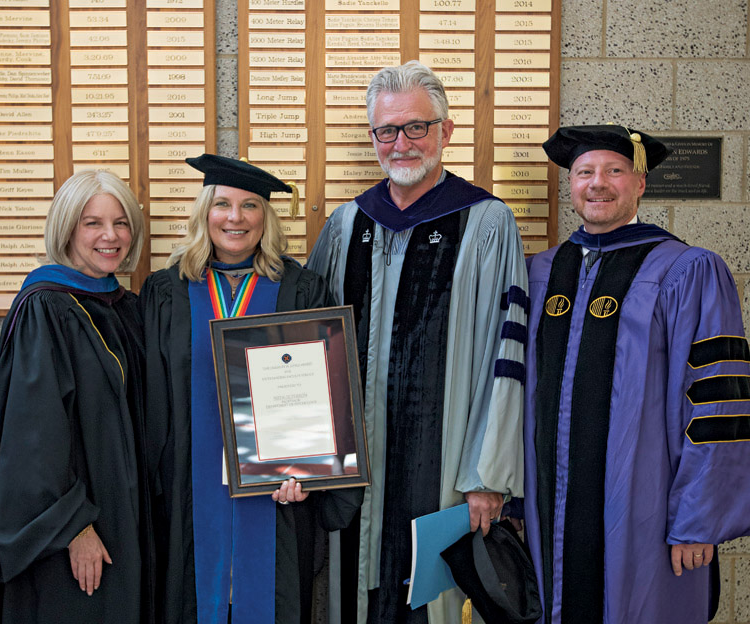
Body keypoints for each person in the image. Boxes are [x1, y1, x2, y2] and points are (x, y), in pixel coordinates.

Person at [308, 61, 529, 624]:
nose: (401, 143)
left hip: (449, 467)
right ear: (372, 138)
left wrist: (488, 477)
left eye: (416, 127)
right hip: (354, 470)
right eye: (388, 130)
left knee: (432, 600)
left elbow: (507, 360)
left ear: (446, 131)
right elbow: (307, 346)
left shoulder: (485, 224)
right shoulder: (345, 225)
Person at [523, 124, 750, 623]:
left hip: (646, 517)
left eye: (614, 171)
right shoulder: (541, 271)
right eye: (585, 172)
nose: (597, 183)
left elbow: (719, 401)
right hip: (549, 510)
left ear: (640, 184)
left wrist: (698, 519)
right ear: (571, 184)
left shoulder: (689, 270)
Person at [140, 154, 363, 624]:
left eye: (250, 206)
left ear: (267, 217)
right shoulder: (167, 292)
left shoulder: (300, 289)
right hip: (190, 485)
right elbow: (152, 402)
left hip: (277, 491)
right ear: (205, 213)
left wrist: (310, 474)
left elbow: (324, 395)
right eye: (222, 204)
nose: (235, 218)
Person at [0, 170, 153, 624]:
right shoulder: (46, 308)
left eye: (121, 223)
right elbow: (33, 435)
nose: (110, 236)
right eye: (92, 223)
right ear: (66, 228)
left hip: (123, 521)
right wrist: (73, 527)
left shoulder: (126, 308)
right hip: (71, 538)